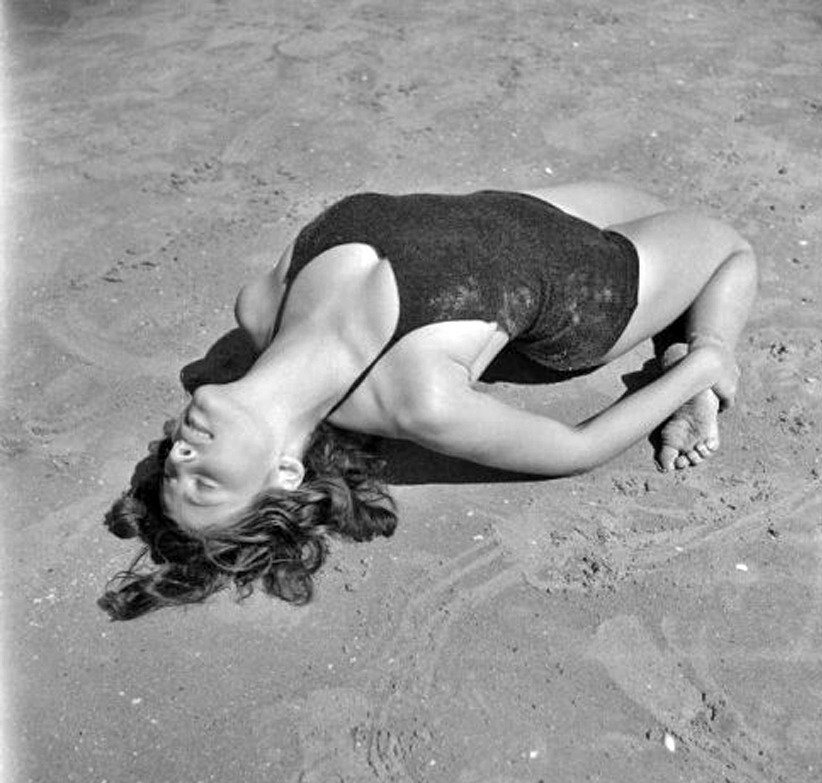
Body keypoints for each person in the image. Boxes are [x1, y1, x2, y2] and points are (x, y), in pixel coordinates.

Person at [99, 181, 757, 620]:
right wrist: (703, 361)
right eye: (206, 482)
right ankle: (696, 352)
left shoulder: (260, 304)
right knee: (729, 252)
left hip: (511, 212)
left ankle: (683, 336)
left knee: (647, 196)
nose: (184, 453)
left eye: (173, 465)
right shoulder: (416, 398)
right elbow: (575, 449)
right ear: (284, 473)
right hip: (580, 288)